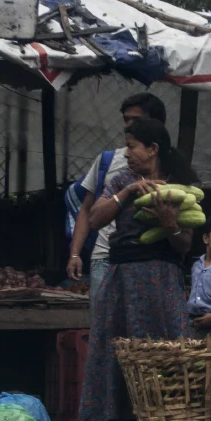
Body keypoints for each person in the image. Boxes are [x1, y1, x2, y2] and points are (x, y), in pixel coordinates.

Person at [78, 118, 200, 421]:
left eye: (132, 146)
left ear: (152, 149)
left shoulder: (180, 187)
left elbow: (184, 244)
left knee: (160, 354)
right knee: (117, 351)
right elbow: (96, 218)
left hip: (161, 281)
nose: (127, 153)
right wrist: (129, 193)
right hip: (122, 279)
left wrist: (169, 223)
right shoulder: (120, 180)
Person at [66, 92, 166, 301]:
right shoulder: (108, 160)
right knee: (103, 319)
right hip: (105, 255)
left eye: (135, 120)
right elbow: (87, 209)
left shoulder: (170, 166)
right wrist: (75, 254)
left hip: (149, 258)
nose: (128, 125)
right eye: (125, 119)